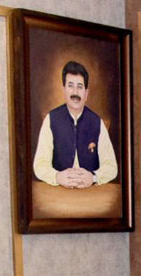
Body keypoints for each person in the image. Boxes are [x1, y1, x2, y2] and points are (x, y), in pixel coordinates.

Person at [32, 60, 118, 188]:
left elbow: (111, 167)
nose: (75, 93)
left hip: (91, 195)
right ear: (64, 89)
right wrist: (57, 177)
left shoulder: (97, 122)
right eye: (70, 85)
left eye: (80, 87)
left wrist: (93, 177)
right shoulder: (50, 119)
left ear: (86, 93)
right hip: (58, 194)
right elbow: (39, 164)